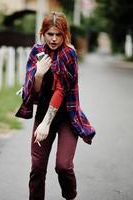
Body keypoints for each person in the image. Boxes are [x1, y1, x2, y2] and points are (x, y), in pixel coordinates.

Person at [15, 12, 96, 200]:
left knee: (63, 166)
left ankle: (70, 196)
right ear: (43, 33)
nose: (53, 39)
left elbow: (61, 90)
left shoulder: (69, 54)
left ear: (64, 34)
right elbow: (32, 94)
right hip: (43, 111)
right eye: (50, 33)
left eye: (58, 34)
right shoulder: (37, 52)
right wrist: (38, 75)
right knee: (37, 168)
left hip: (67, 116)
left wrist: (46, 124)